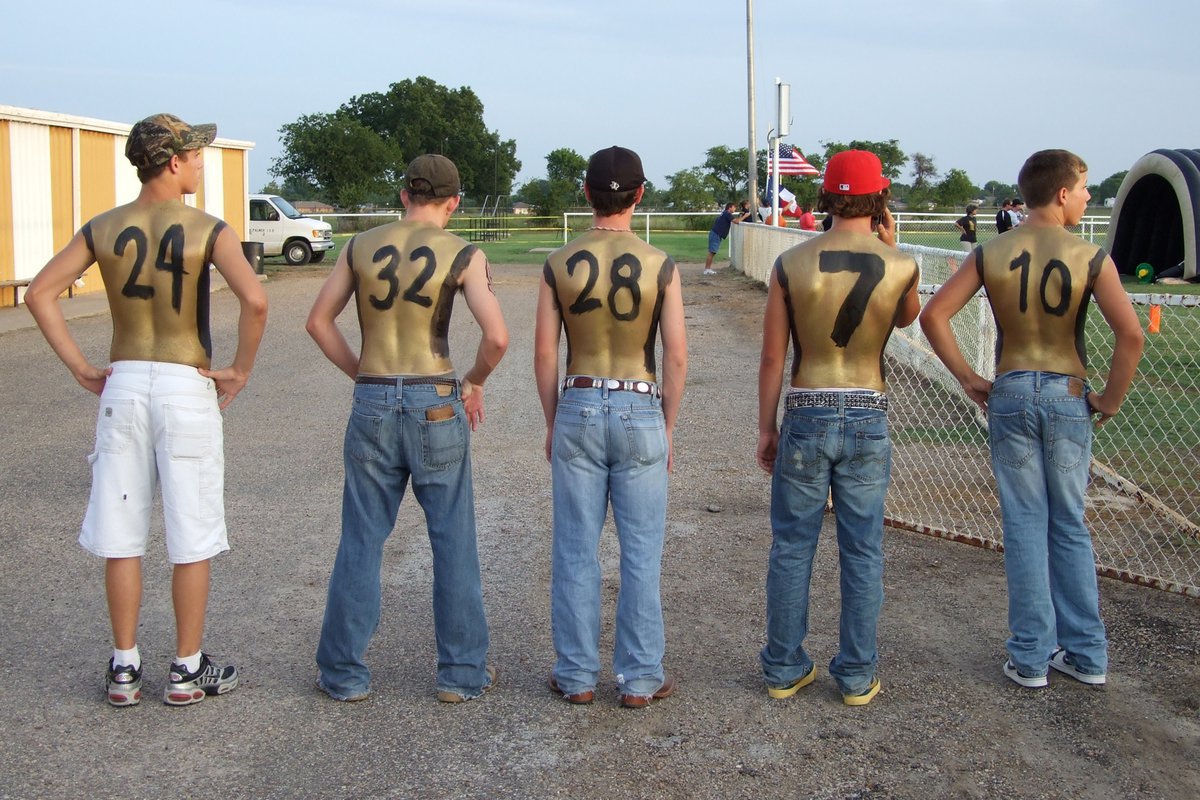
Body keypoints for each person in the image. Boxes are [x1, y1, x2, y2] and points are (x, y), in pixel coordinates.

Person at [24, 113, 269, 707]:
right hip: (186, 383)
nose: (201, 164)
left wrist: (81, 367)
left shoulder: (103, 227)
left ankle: (125, 667)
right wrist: (239, 368)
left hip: (125, 383)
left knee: (121, 533)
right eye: (195, 155)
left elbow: (38, 294)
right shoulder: (207, 228)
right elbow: (255, 300)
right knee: (192, 533)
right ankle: (186, 669)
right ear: (174, 161)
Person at [920, 149, 1144, 689]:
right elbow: (1131, 336)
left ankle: (1029, 658)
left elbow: (934, 315)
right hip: (1068, 392)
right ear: (1062, 193)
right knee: (1068, 523)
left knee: (1024, 523)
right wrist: (1109, 401)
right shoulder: (1090, 255)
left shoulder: (990, 250)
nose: (1088, 197)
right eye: (1085, 188)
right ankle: (1086, 655)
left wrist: (967, 378)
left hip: (1012, 390)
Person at [308, 154, 509, 703]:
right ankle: (461, 674)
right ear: (453, 202)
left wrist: (362, 373)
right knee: (453, 540)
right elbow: (496, 338)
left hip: (373, 395)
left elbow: (317, 321)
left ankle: (344, 673)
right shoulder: (463, 253)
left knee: (362, 539)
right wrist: (474, 381)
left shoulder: (359, 245)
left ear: (403, 196)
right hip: (436, 398)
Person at [756, 150, 920, 707]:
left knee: (792, 546)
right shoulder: (899, 265)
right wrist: (889, 242)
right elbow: (906, 315)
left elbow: (772, 359)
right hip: (868, 411)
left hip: (806, 407)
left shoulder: (791, 263)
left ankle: (783, 667)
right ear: (880, 199)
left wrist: (767, 428)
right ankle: (855, 675)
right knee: (862, 549)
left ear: (824, 196)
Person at [534, 146, 687, 708]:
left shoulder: (558, 262)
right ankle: (641, 677)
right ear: (640, 195)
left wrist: (555, 422)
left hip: (578, 399)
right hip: (639, 400)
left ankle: (576, 676)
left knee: (576, 549)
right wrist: (664, 426)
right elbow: (675, 358)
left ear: (586, 194)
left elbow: (545, 357)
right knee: (641, 552)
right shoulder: (661, 263)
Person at [704, 202, 749, 275]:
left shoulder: (725, 213)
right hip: (716, 234)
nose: (735, 209)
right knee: (711, 252)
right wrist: (745, 216)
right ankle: (707, 269)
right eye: (734, 207)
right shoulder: (727, 214)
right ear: (730, 208)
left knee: (712, 252)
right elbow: (736, 221)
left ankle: (707, 269)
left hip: (716, 234)